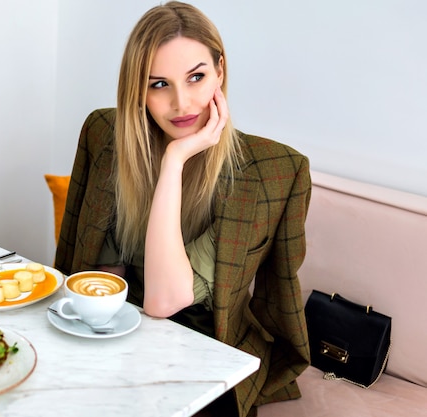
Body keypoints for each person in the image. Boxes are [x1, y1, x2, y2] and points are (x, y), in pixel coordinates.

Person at [55, 2, 311, 416]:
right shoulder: (106, 134)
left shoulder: (269, 174)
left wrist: (175, 161)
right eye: (158, 84)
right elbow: (104, 275)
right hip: (121, 326)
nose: (181, 103)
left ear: (220, 72)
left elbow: (165, 300)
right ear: (136, 89)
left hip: (210, 349)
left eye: (196, 77)